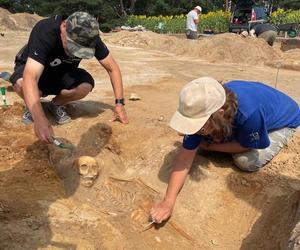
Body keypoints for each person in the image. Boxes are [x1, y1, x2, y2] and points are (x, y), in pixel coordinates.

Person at [150, 77, 300, 223]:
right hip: (247, 115)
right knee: (207, 136)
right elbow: (184, 159)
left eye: (198, 125)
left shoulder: (249, 114)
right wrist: (168, 202)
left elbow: (248, 145)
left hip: (286, 120)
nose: (194, 130)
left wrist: (207, 145)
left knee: (245, 162)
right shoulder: (205, 105)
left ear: (219, 113)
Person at [9, 12, 129, 144]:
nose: (74, 53)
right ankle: (31, 105)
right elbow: (31, 76)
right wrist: (39, 119)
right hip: (35, 71)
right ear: (64, 26)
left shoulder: (89, 36)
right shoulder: (45, 30)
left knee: (85, 86)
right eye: (73, 46)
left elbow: (113, 68)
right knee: (22, 83)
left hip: (62, 73)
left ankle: (54, 105)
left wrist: (119, 104)